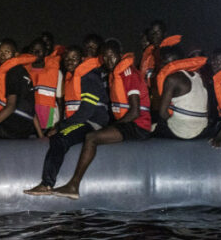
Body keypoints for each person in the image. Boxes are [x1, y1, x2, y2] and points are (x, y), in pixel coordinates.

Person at [50, 40, 152, 199]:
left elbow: (135, 111)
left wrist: (113, 126)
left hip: (138, 125)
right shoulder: (114, 74)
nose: (108, 60)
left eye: (112, 56)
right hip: (130, 123)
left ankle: (74, 185)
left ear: (120, 55)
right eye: (104, 57)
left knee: (91, 138)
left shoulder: (128, 74)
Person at [24, 45, 109, 196]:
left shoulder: (89, 77)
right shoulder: (72, 77)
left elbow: (86, 112)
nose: (70, 62)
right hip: (81, 122)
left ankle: (47, 184)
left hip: (92, 123)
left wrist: (60, 126)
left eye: (74, 58)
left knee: (60, 139)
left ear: (82, 59)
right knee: (58, 135)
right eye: (67, 59)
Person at [154, 44, 209, 140]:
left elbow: (162, 113)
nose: (163, 66)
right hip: (203, 129)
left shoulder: (172, 78)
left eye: (166, 63)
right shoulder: (199, 77)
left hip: (182, 132)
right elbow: (208, 109)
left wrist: (173, 123)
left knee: (152, 126)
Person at [28, 39, 63, 130]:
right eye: (33, 51)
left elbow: (60, 100)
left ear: (46, 52)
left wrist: (60, 123)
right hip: (30, 117)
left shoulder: (56, 73)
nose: (36, 53)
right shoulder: (24, 72)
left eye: (39, 51)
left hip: (51, 119)